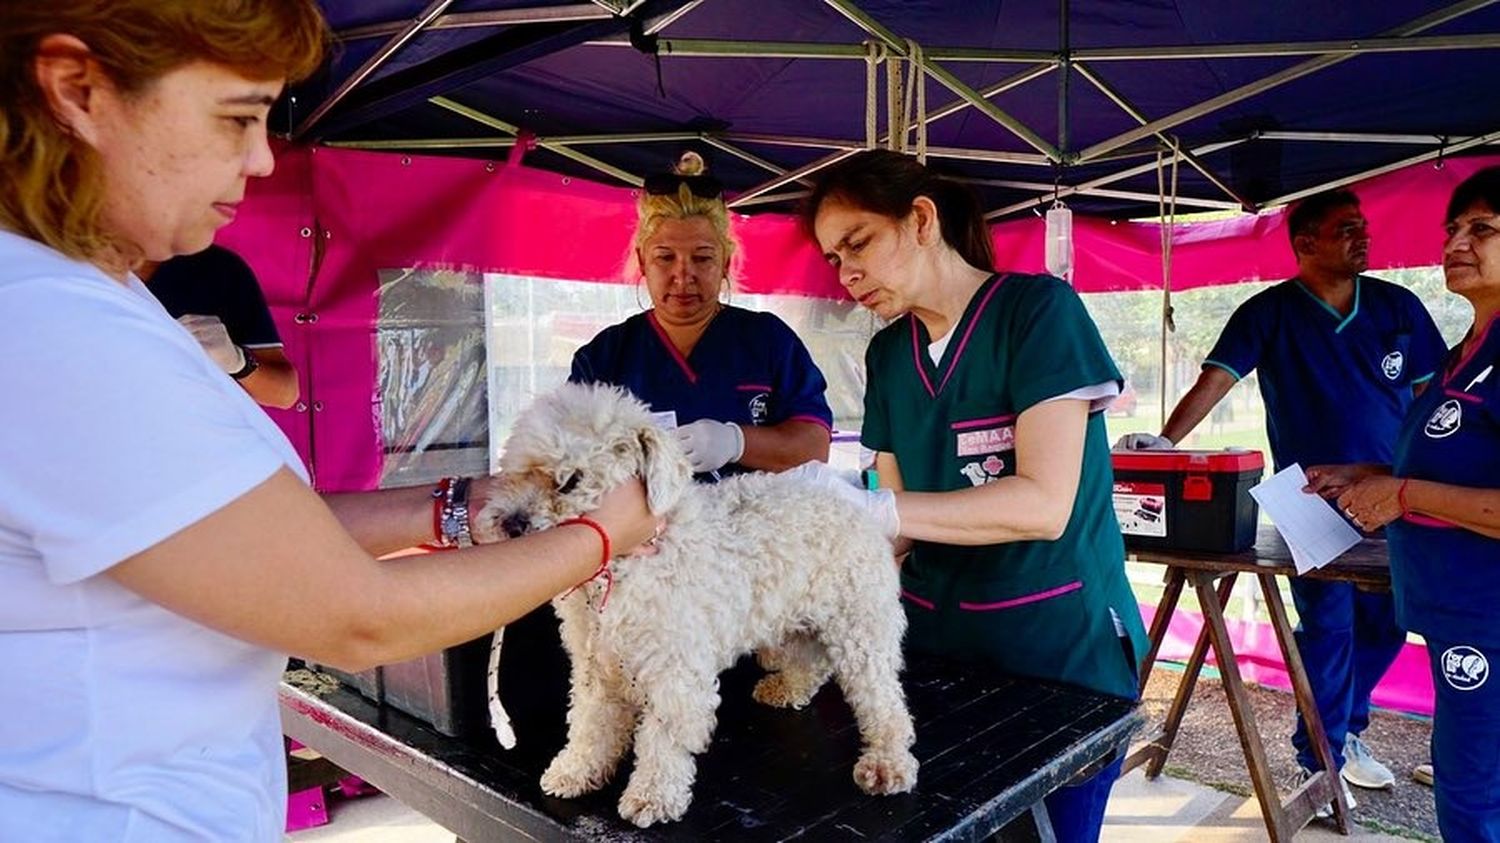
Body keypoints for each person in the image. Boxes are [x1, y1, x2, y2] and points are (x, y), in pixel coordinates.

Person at [0, 4, 655, 841]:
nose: (263, 156)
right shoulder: (54, 327)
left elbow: (255, 537)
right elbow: (358, 617)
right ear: (76, 89)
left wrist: (460, 502)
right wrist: (604, 533)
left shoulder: (85, 296)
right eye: (236, 117)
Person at [801, 149, 1148, 843]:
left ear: (921, 219)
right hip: (939, 657)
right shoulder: (888, 354)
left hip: (1057, 661)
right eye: (834, 259)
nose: (847, 274)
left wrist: (878, 508)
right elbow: (893, 523)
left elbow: (1043, 503)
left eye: (858, 243)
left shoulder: (1037, 313)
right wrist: (811, 555)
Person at [1116, 189, 1448, 806]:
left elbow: (1433, 401)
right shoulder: (1267, 312)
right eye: (1346, 229)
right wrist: (1162, 443)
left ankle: (1343, 733)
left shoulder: (1399, 307)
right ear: (1305, 243)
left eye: (1363, 227)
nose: (1363, 238)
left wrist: (1428, 478)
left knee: (1390, 623)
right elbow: (1215, 381)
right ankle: (1316, 757)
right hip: (1308, 498)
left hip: (1391, 492)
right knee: (1326, 626)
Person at [1308, 166, 1500, 842]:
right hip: (1457, 618)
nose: (1456, 242)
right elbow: (1450, 459)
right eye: (1452, 228)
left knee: (1475, 802)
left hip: (1489, 628)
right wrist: (1364, 473)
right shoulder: (1465, 355)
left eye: (1482, 228)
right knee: (1467, 788)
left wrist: (1403, 493)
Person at [569, 152, 834, 479]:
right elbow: (572, 459)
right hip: (646, 528)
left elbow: (814, 446)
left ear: (725, 262)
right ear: (642, 261)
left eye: (703, 258)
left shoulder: (768, 340)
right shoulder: (604, 357)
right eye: (665, 257)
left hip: (756, 522)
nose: (683, 275)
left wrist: (737, 442)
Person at [142, 243, 299, 408]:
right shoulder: (113, 281)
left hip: (187, 424)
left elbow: (285, 393)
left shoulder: (215, 268)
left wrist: (238, 362)